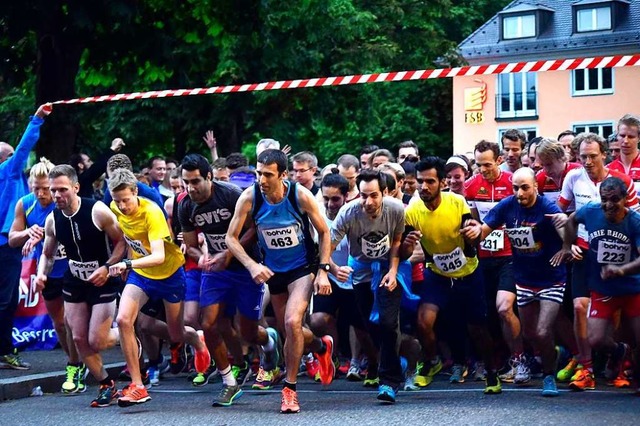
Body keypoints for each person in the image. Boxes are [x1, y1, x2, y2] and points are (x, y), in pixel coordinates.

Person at [226, 149, 334, 414]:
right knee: (290, 332)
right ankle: (322, 346)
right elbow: (231, 238)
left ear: (283, 175)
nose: (262, 180)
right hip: (273, 271)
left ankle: (290, 389)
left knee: (291, 322)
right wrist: (252, 265)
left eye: (268, 175)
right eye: (258, 173)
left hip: (302, 267)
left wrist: (323, 270)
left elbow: (324, 231)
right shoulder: (250, 197)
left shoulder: (300, 195)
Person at [178, 153, 279, 406]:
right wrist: (200, 256)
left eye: (195, 181)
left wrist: (229, 252)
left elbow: (255, 228)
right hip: (216, 270)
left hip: (246, 265)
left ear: (209, 177)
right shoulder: (185, 205)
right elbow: (189, 245)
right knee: (209, 323)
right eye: (186, 182)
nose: (191, 188)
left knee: (247, 330)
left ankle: (268, 340)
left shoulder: (232, 194)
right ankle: (229, 382)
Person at [107, 169, 211, 407]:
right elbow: (130, 239)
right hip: (141, 275)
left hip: (169, 274)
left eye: (126, 199)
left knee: (175, 334)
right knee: (124, 320)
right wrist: (127, 264)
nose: (122, 206)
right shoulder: (114, 209)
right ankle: (138, 385)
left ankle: (196, 340)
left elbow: (158, 256)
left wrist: (126, 263)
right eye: (117, 200)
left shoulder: (152, 212)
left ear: (135, 192)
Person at [402, 156, 501, 394]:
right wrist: (407, 243)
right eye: (420, 182)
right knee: (424, 322)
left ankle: (491, 372)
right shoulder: (412, 210)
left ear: (442, 183)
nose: (424, 187)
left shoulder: (457, 202)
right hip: (437, 274)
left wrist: (473, 231)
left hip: (468, 272)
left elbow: (472, 241)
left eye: (430, 182)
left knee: (477, 328)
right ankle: (431, 362)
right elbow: (406, 252)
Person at [35, 164, 125, 407]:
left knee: (98, 340)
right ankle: (106, 384)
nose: (56, 196)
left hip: (103, 278)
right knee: (78, 337)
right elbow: (47, 253)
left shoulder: (97, 211)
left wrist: (107, 267)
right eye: (53, 191)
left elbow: (121, 242)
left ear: (75, 188)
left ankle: (128, 335)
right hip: (75, 278)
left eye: (62, 190)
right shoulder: (53, 218)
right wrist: (41, 274)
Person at [557, 132, 639, 390]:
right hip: (592, 265)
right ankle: (590, 366)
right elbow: (567, 217)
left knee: (633, 328)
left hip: (627, 273)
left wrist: (623, 267)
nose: (587, 161)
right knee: (587, 322)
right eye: (583, 157)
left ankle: (630, 369)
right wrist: (568, 245)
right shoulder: (579, 188)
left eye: (593, 156)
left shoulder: (629, 203)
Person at [480, 167, 568, 396]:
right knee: (529, 334)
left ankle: (549, 376)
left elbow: (563, 227)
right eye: (516, 188)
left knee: (541, 331)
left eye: (525, 187)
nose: (520, 193)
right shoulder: (507, 205)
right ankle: (552, 353)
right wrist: (471, 234)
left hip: (551, 278)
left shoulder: (546, 207)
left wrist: (568, 246)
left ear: (536, 188)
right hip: (524, 278)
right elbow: (484, 229)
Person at [330, 169, 405, 404]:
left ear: (384, 192)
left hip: (386, 268)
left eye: (373, 195)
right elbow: (327, 247)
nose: (368, 202)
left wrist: (393, 271)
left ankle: (388, 382)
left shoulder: (395, 209)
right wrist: (331, 269)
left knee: (387, 322)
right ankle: (394, 360)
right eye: (363, 196)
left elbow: (396, 241)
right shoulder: (348, 212)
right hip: (360, 271)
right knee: (370, 326)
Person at [9, 158, 83, 393]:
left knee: (72, 322)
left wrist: (43, 236)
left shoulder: (62, 203)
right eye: (36, 188)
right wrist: (27, 233)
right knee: (59, 324)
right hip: (47, 272)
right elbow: (12, 237)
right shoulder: (25, 204)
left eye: (45, 188)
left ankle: (75, 365)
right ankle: (75, 361)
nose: (41, 194)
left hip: (72, 269)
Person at [464, 140, 526, 384]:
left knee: (505, 308)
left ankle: (520, 359)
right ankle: (491, 360)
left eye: (487, 164)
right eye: (478, 165)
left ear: (499, 160)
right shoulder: (471, 186)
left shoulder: (512, 182)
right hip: (483, 258)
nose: (482, 170)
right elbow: (475, 223)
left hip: (509, 256)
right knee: (486, 313)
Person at [0, 103, 51, 370]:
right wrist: (38, 119)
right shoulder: (8, 171)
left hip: (8, 243)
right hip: (4, 246)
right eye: (10, 156)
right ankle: (5, 351)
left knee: (6, 301)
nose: (17, 160)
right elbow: (23, 148)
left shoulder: (17, 181)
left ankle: (5, 350)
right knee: (5, 301)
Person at [608, 114, 640, 192]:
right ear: (617, 136)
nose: (625, 141)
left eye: (631, 137)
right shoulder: (608, 169)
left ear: (639, 138)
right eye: (622, 136)